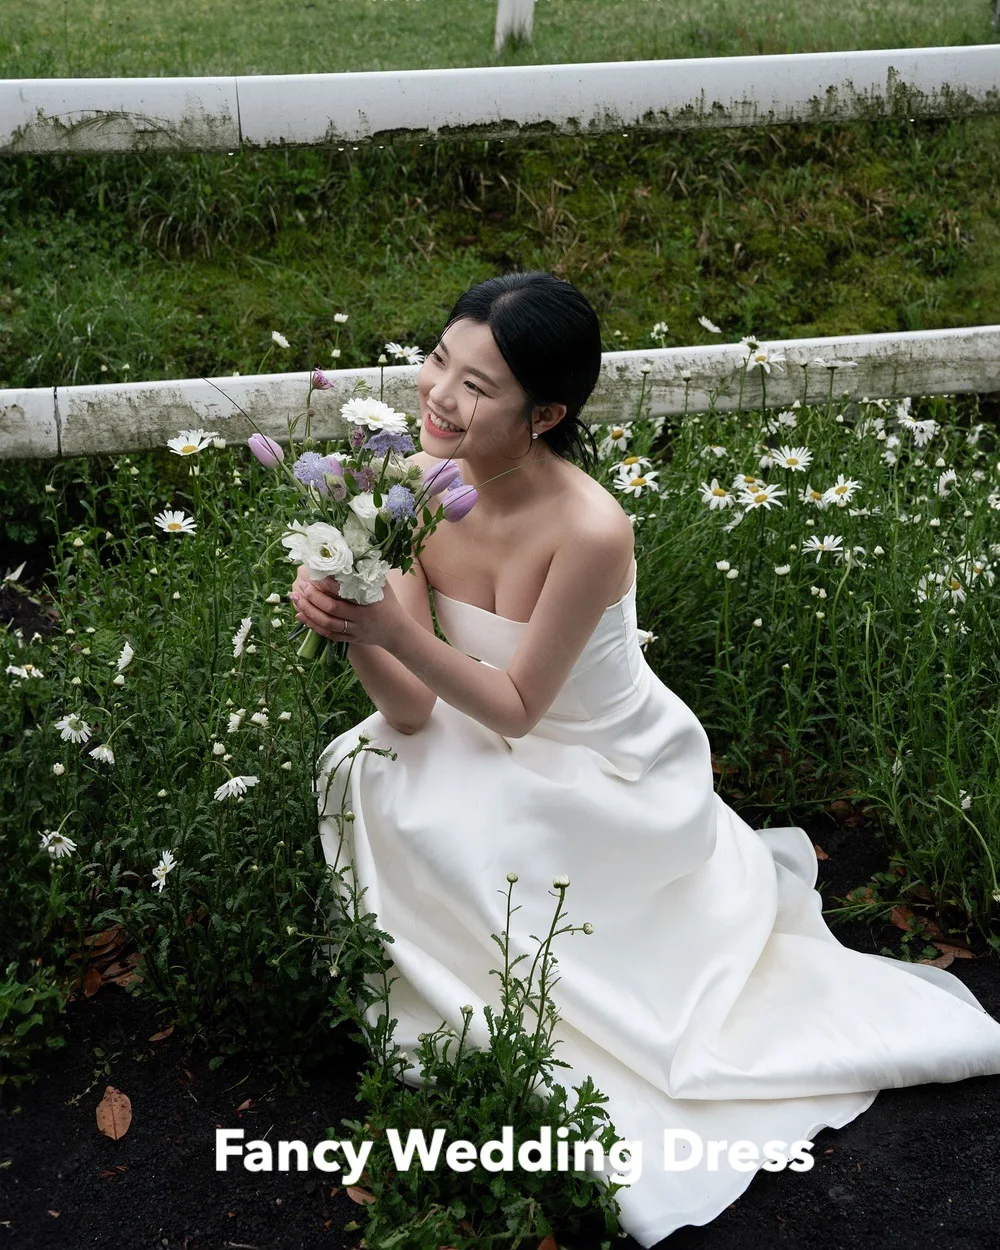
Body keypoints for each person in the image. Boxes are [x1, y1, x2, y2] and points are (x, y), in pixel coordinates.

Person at [290, 271, 1000, 1247]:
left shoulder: (589, 527)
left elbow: (518, 704)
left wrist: (391, 630)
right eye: (437, 361)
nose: (440, 396)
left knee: (480, 813)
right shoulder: (407, 484)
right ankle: (448, 1003)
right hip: (468, 713)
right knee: (363, 762)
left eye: (477, 385)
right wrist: (351, 608)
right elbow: (411, 709)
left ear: (543, 413)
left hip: (603, 762)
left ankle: (548, 1012)